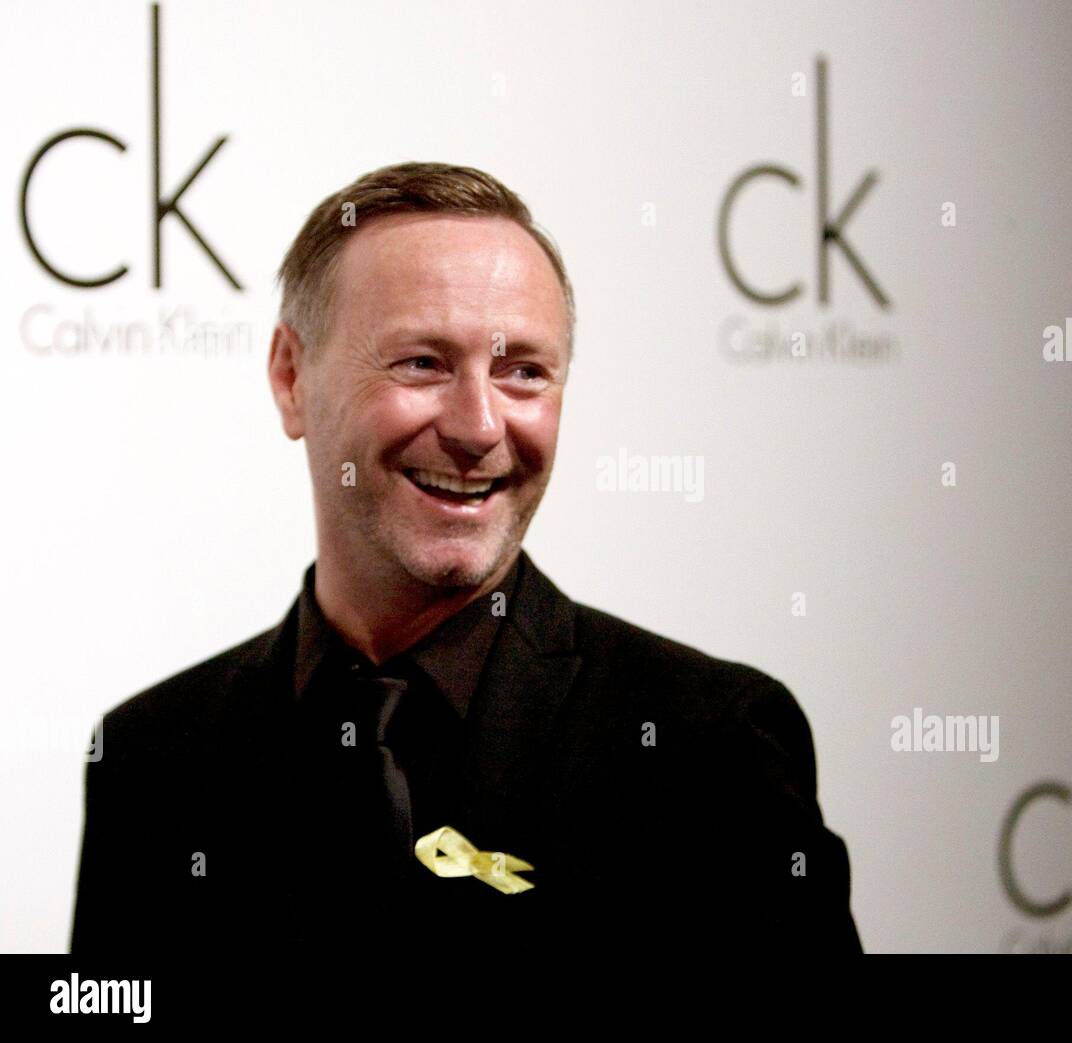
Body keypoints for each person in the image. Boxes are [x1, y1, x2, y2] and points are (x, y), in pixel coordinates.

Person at [69, 162, 862, 954]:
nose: (480, 427)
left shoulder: (707, 751)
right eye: (423, 362)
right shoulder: (155, 758)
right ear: (290, 377)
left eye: (523, 372)